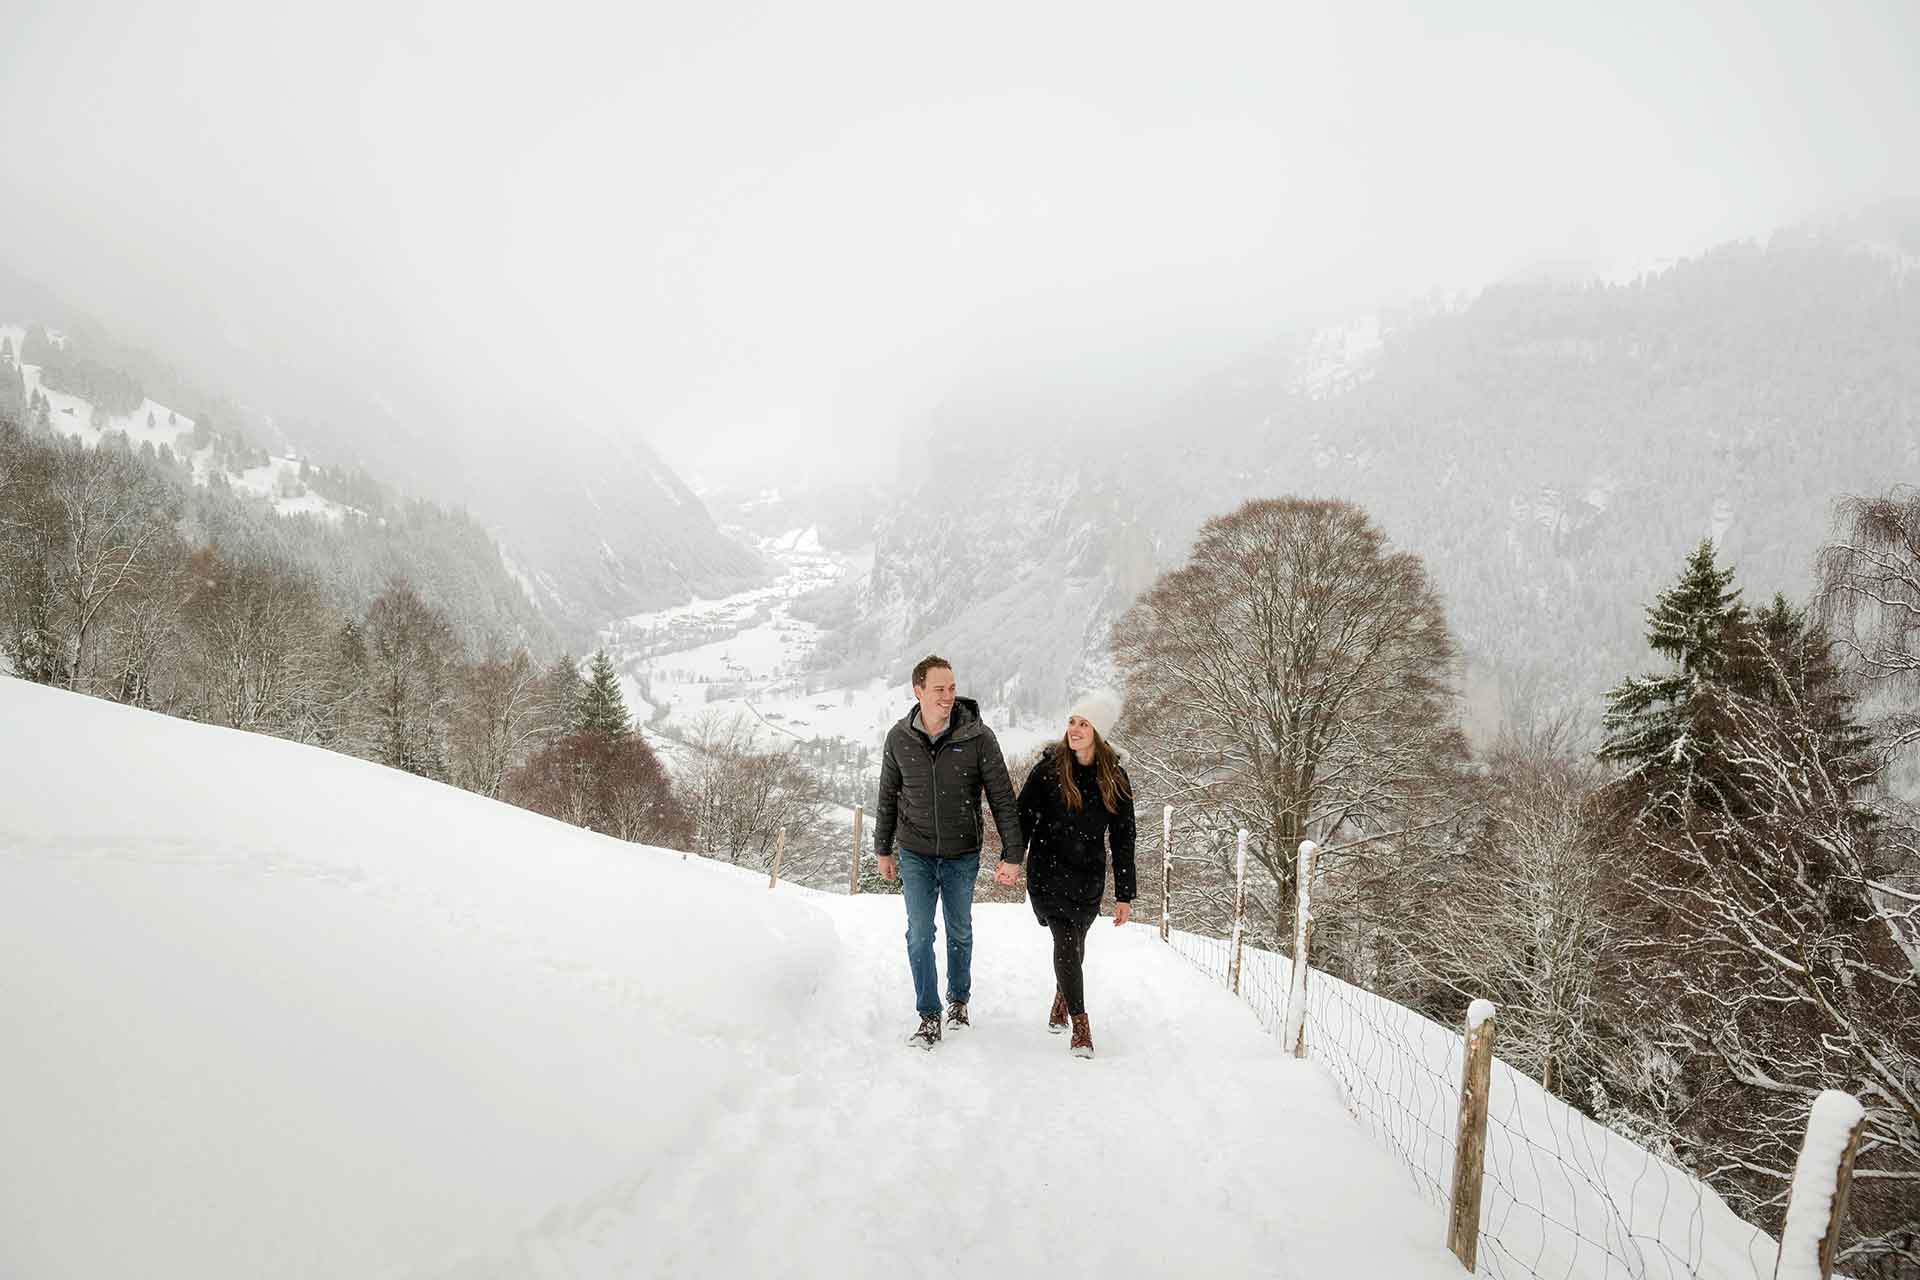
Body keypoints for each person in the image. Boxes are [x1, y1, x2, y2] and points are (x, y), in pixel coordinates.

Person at [873, 654, 1024, 1050]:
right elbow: (888, 796)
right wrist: (882, 849)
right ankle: (929, 1014)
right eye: (939, 689)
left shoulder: (978, 737)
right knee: (919, 933)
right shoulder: (899, 739)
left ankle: (959, 1000)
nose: (947, 696)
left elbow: (1003, 798)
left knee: (959, 930)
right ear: (918, 690)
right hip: (915, 852)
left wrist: (1013, 853)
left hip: (961, 853)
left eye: (952, 688)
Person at [1015, 689, 1136, 1059]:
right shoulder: (1048, 769)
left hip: (1087, 876)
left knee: (1076, 944)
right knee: (1066, 942)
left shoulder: (1114, 777)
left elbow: (1123, 836)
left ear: (1098, 733)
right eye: (1072, 721)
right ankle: (1081, 1026)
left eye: (1084, 723)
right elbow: (1022, 817)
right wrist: (1011, 858)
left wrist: (1124, 894)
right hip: (1047, 872)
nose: (1075, 729)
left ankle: (1062, 997)